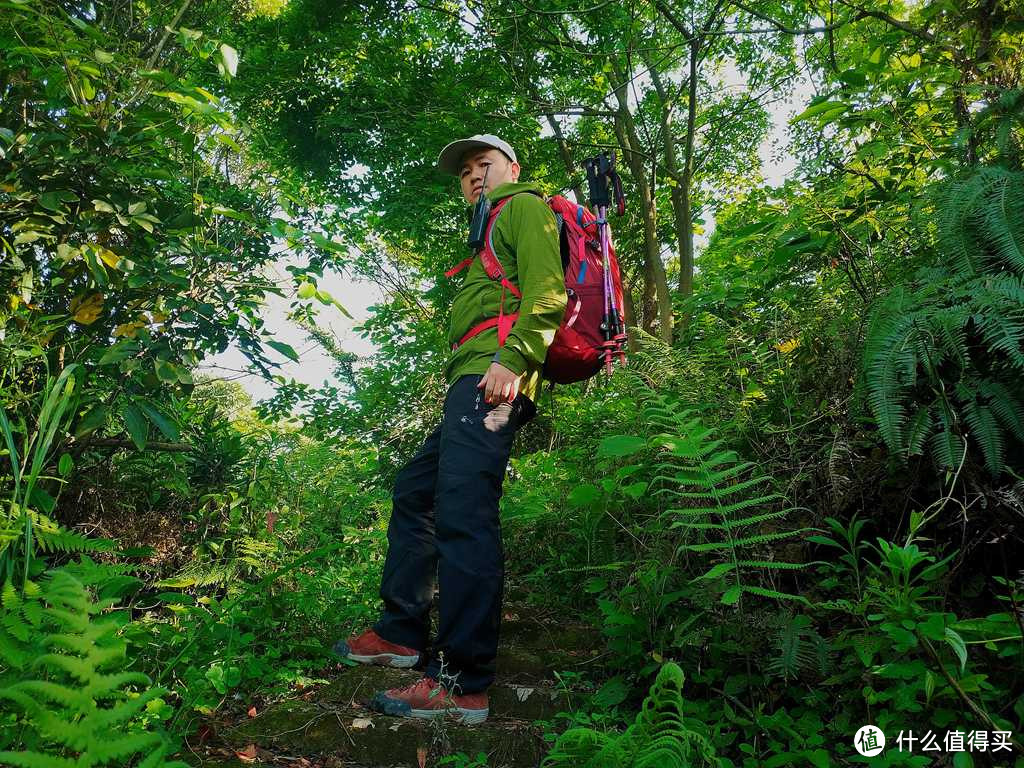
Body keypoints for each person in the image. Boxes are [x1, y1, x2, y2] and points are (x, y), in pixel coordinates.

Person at [333, 134, 567, 724]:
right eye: (465, 172)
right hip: (472, 376)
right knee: (417, 492)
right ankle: (403, 635)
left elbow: (548, 294)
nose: (473, 177)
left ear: (510, 168)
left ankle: (462, 683)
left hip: (495, 374)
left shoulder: (523, 207)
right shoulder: (485, 227)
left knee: (464, 514)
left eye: (482, 165)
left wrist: (513, 360)